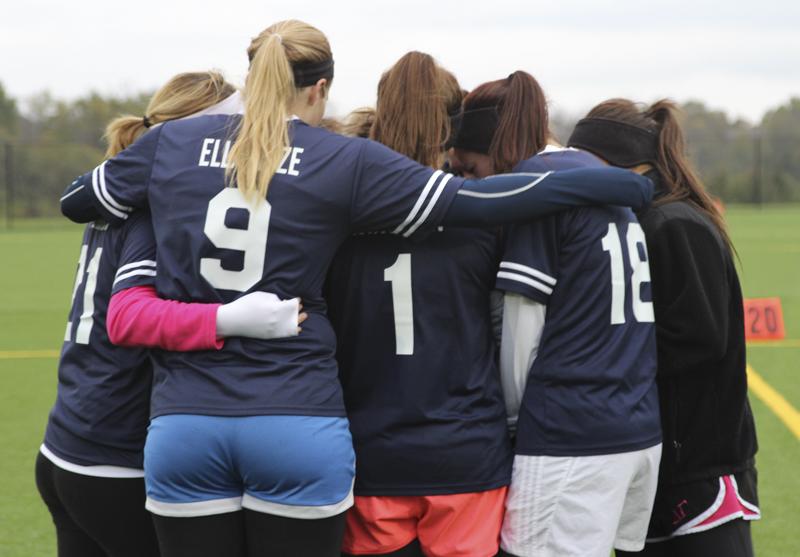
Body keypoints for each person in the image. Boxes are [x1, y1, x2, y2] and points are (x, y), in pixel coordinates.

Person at [58, 19, 654, 557]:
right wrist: (616, 187)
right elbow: (480, 199)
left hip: (184, 423)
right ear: (319, 90)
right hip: (299, 420)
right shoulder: (343, 160)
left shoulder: (170, 145)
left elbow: (79, 201)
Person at [38, 71, 301, 557]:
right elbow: (130, 317)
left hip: (66, 447)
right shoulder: (150, 206)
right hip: (114, 459)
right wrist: (232, 320)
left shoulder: (117, 192)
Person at [451, 72, 662, 557]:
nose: (471, 183)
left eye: (472, 168)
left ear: (495, 149)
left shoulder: (537, 191)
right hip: (637, 427)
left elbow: (524, 331)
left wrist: (511, 426)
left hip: (571, 437)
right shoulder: (598, 178)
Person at [327, 51, 511, 557]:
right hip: (466, 459)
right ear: (451, 129)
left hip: (371, 457)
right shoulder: (483, 215)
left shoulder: (337, 216)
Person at [568, 99, 759, 557]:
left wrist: (599, 356)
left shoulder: (672, 223)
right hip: (660, 468)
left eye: (580, 161)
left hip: (701, 470)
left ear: (618, 162)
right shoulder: (637, 220)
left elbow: (702, 338)